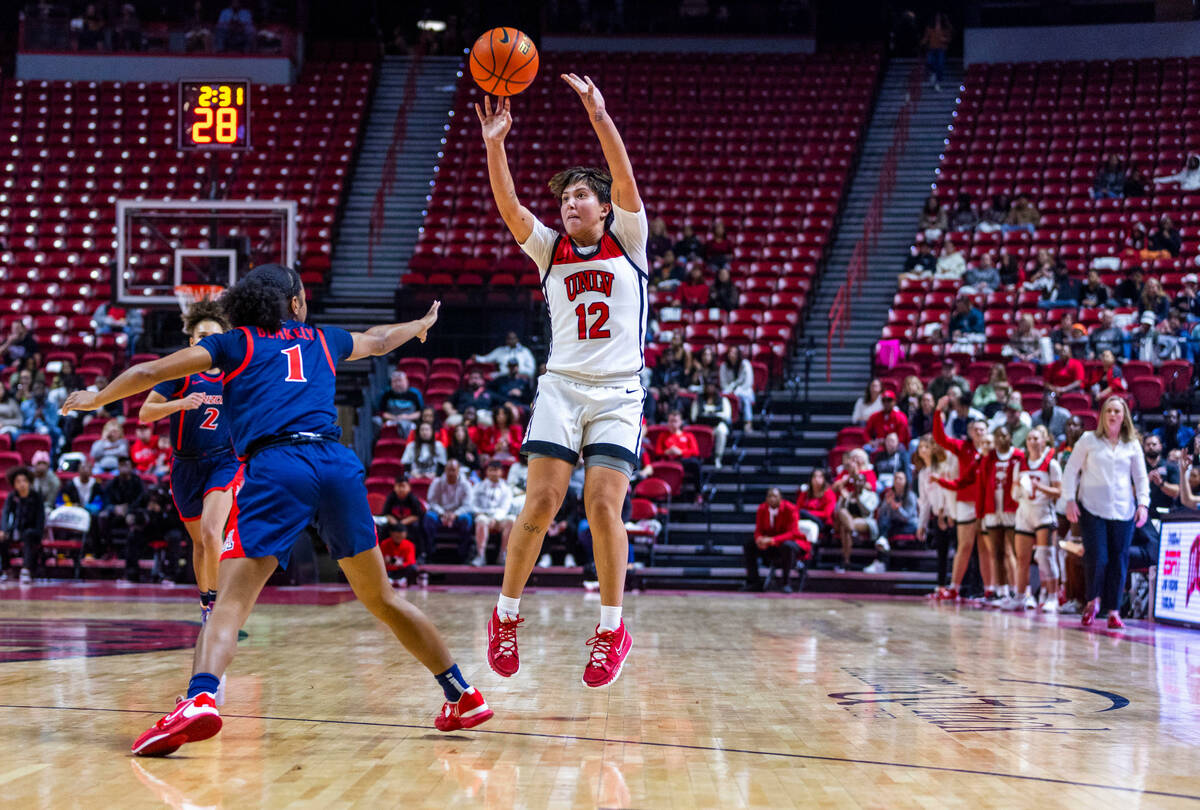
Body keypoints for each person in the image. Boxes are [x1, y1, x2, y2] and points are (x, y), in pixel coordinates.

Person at [61, 264, 493, 752]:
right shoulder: (322, 339)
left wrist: (97, 397)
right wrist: (419, 327)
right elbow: (377, 340)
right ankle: (462, 693)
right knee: (382, 598)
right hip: (335, 463)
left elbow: (148, 372)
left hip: (277, 465)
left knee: (230, 603)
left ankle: (200, 698)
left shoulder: (235, 343)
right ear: (293, 303)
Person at [476, 75, 645, 688]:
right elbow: (509, 207)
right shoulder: (550, 250)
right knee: (541, 502)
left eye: (580, 196)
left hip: (620, 392)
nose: (569, 204)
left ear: (604, 208)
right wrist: (496, 144)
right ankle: (505, 614)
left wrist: (599, 115)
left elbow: (621, 175)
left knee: (603, 506)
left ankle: (610, 629)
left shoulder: (629, 239)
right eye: (565, 198)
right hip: (562, 386)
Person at [138, 299, 242, 619]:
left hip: (224, 462)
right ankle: (206, 603)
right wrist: (179, 404)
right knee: (199, 544)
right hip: (185, 466)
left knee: (213, 533)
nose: (208, 340)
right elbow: (145, 413)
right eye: (202, 336)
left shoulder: (234, 375)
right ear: (192, 342)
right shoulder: (179, 374)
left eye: (215, 335)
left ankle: (220, 604)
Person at [1062, 396, 1150, 630]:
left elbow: (1141, 477)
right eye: (1108, 411)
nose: (1112, 415)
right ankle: (1092, 602)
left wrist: (1143, 504)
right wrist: (1069, 499)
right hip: (1092, 508)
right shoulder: (1088, 439)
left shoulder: (1132, 444)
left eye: (1117, 411)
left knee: (1118, 560)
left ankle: (1114, 611)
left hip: (1123, 510)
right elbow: (1070, 471)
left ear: (1124, 417)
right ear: (1102, 415)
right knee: (1097, 558)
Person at [931, 397, 992, 601]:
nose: (979, 432)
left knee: (985, 547)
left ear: (988, 432)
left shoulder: (993, 452)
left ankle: (991, 590)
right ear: (969, 432)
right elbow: (940, 438)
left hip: (988, 504)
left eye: (982, 429)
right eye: (975, 429)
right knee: (964, 546)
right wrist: (938, 412)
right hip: (966, 502)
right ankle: (954, 588)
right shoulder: (963, 447)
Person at [1012, 426, 1062, 612]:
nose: (1032, 442)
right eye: (1029, 439)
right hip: (1024, 514)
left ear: (1044, 441)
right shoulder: (1020, 464)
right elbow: (1013, 493)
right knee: (1022, 558)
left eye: (1036, 438)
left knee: (1045, 557)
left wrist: (1039, 487)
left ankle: (1052, 596)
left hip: (1044, 515)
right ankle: (1021, 596)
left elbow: (1058, 492)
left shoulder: (1051, 464)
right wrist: (1017, 489)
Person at [741, 487, 807, 592]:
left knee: (787, 546)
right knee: (749, 544)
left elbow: (793, 533)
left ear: (781, 498)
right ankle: (754, 582)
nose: (772, 499)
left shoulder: (791, 509)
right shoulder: (762, 508)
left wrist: (773, 540)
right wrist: (759, 539)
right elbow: (758, 530)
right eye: (769, 496)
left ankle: (786, 583)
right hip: (770, 545)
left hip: (788, 543)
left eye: (775, 496)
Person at [914, 435, 954, 588]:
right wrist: (921, 525)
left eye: (926, 447)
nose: (923, 450)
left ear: (933, 449)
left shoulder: (943, 467)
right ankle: (941, 586)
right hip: (937, 515)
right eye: (920, 447)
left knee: (958, 551)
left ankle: (959, 587)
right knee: (941, 553)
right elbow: (924, 502)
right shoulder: (923, 473)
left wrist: (945, 513)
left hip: (950, 514)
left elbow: (946, 492)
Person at [832, 448, 880, 571]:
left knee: (845, 527)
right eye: (853, 458)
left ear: (864, 459)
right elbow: (835, 487)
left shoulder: (868, 473)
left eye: (858, 457)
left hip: (863, 514)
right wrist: (848, 478)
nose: (855, 460)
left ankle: (846, 561)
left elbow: (871, 487)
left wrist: (857, 476)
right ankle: (847, 560)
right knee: (843, 515)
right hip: (848, 510)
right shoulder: (845, 473)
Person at [422, 459, 475, 563]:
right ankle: (429, 553)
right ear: (445, 470)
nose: (451, 473)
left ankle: (463, 554)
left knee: (467, 519)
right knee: (428, 518)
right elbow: (431, 502)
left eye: (453, 470)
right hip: (439, 514)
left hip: (458, 514)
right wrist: (442, 513)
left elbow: (468, 505)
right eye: (448, 470)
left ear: (458, 471)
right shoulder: (437, 482)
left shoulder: (466, 484)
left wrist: (454, 514)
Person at [1, 466, 45, 585]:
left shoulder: (36, 497)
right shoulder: (12, 497)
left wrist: (39, 533)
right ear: (14, 484)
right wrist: (3, 530)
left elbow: (41, 518)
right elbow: (5, 513)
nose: (22, 484)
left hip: (33, 531)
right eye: (18, 481)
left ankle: (26, 570)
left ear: (29, 482)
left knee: (28, 535)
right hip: (16, 530)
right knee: (2, 539)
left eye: (24, 481)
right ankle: (6, 569)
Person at [469, 461, 514, 567]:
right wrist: (481, 513)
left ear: (501, 472)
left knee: (512, 520)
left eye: (496, 470)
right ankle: (480, 555)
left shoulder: (506, 488)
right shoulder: (479, 486)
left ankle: (503, 554)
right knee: (481, 520)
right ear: (486, 472)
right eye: (491, 470)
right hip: (484, 516)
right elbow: (472, 504)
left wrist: (496, 518)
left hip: (499, 518)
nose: (493, 473)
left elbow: (505, 507)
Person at [380, 476, 427, 561]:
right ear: (394, 487)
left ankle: (421, 554)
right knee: (383, 528)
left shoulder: (413, 498)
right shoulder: (391, 497)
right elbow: (386, 514)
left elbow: (417, 515)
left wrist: (402, 523)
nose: (401, 489)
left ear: (409, 488)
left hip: (408, 523)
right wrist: (395, 522)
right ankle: (380, 554)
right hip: (394, 523)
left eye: (403, 486)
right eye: (399, 486)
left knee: (418, 527)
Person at [690, 381, 731, 467]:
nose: (710, 389)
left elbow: (727, 415)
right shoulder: (698, 400)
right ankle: (699, 457)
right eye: (708, 386)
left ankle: (718, 457)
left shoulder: (723, 400)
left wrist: (714, 415)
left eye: (712, 386)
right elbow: (693, 417)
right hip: (702, 426)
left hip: (717, 425)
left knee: (722, 430)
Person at [795, 468, 836, 549]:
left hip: (822, 523)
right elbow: (797, 509)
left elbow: (826, 514)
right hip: (804, 519)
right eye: (814, 477)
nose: (817, 479)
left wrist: (808, 513)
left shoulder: (829, 494)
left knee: (802, 512)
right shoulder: (805, 493)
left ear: (824, 479)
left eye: (820, 477)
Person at [1143, 434, 1179, 520]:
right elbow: (1130, 492)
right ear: (1143, 447)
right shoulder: (1138, 467)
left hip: (1167, 513)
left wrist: (1161, 483)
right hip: (1144, 513)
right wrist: (1146, 481)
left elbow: (1177, 492)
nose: (1151, 447)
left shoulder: (1170, 466)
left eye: (1154, 444)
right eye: (1148, 445)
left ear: (1160, 446)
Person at [719, 346, 755, 431]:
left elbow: (748, 383)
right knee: (723, 397)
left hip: (744, 391)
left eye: (734, 353)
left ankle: (748, 422)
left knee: (745, 399)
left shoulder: (745, 364)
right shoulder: (724, 366)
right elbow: (723, 383)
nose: (731, 355)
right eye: (730, 353)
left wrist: (737, 391)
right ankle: (726, 421)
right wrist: (730, 391)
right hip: (729, 390)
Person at [377, 371, 424, 437]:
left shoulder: (415, 393)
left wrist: (406, 417)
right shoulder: (386, 394)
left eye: (400, 381)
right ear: (391, 383)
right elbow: (381, 412)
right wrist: (395, 418)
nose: (398, 384)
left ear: (407, 381)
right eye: (395, 381)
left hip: (410, 421)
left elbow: (421, 412)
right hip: (392, 420)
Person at [920, 12, 952, 91]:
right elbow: (926, 37)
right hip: (932, 48)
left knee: (940, 64)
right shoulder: (930, 28)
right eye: (936, 18)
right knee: (929, 61)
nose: (937, 19)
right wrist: (922, 43)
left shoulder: (946, 28)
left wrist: (945, 39)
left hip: (941, 48)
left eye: (939, 18)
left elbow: (949, 38)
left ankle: (937, 81)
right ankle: (933, 74)